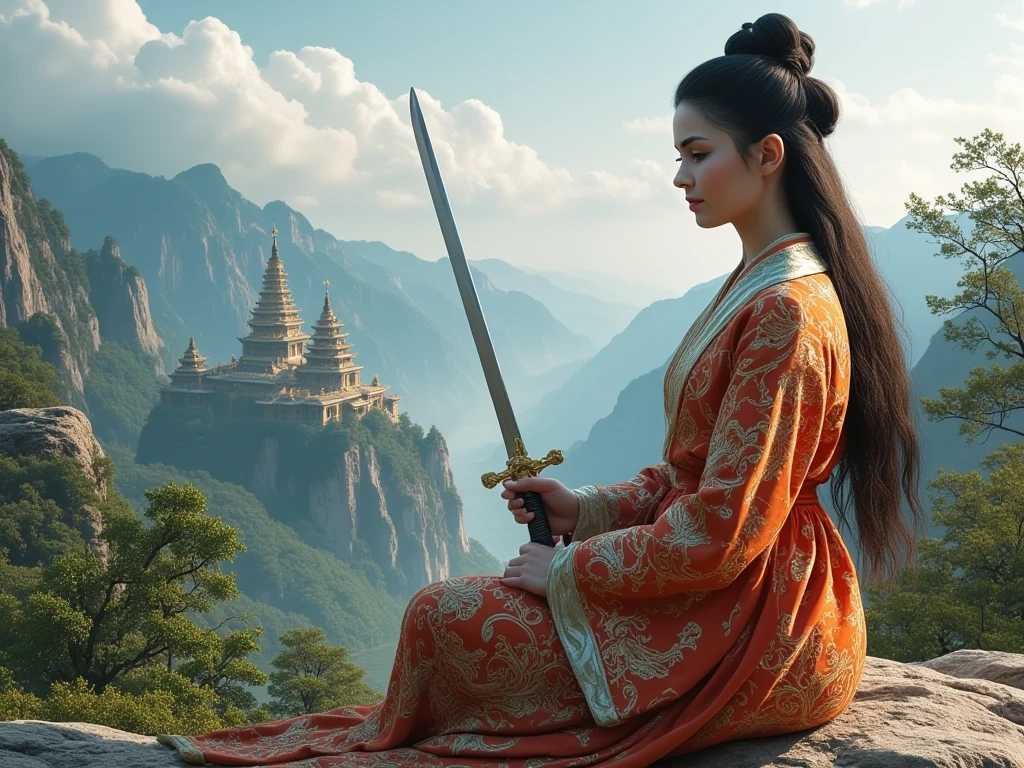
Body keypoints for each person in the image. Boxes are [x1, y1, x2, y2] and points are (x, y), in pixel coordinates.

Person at [159, 12, 924, 768]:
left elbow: (725, 528)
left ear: (767, 155)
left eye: (697, 153)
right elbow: (695, 471)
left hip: (763, 617)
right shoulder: (759, 287)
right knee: (442, 617)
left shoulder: (787, 311)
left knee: (440, 616)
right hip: (731, 583)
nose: (680, 176)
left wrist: (569, 567)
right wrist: (585, 509)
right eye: (679, 155)